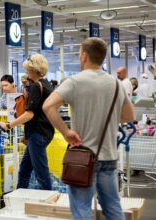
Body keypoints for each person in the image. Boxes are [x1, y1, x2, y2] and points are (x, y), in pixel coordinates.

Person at [43, 37, 135, 219]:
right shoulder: (116, 83)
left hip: (83, 158)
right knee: (113, 207)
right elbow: (130, 116)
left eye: (79, 54)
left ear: (84, 56)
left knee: (81, 209)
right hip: (109, 156)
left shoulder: (75, 81)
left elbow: (48, 106)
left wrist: (66, 132)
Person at [0, 54, 54, 190]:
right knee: (24, 170)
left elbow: (30, 114)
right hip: (44, 131)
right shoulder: (47, 85)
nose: (26, 73)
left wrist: (9, 125)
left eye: (28, 69)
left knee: (41, 173)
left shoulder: (36, 86)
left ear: (34, 70)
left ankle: (48, 204)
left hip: (37, 133)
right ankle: (18, 196)